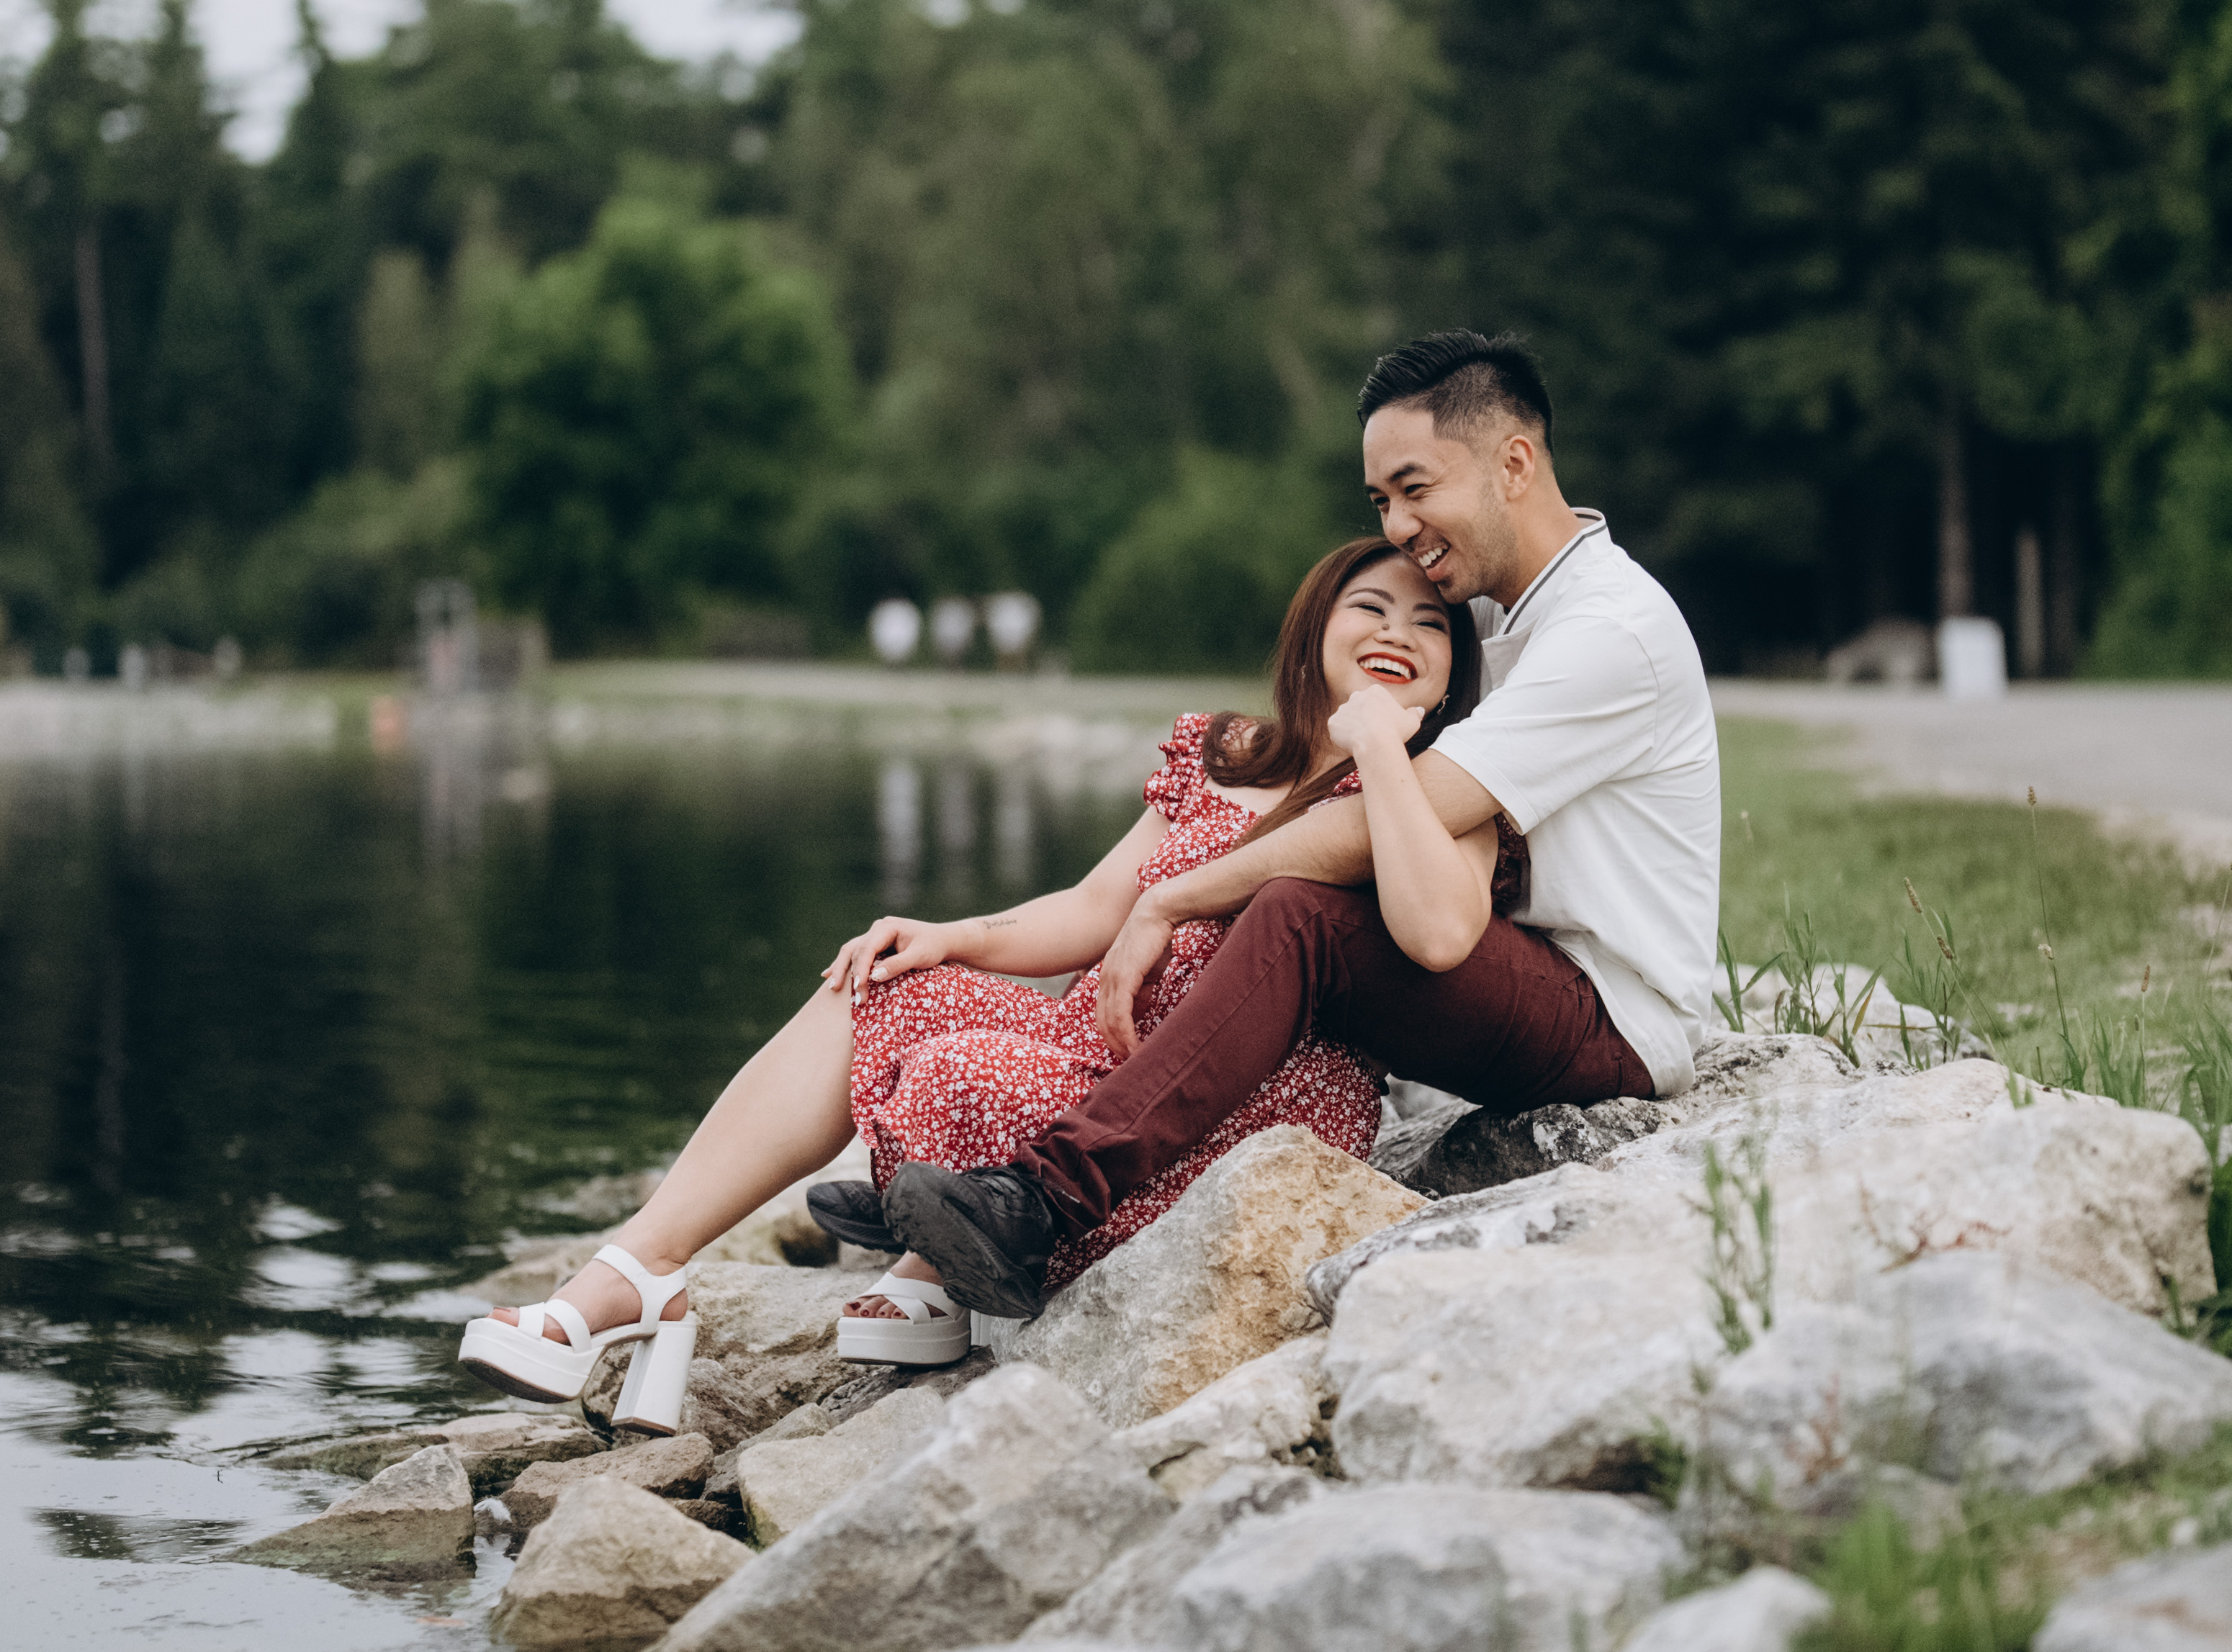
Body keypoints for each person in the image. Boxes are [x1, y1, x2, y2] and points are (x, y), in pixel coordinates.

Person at [455, 536, 1498, 1427]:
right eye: (1370, 607)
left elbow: (1441, 929)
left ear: (1458, 668)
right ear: (1313, 625)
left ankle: (933, 1259)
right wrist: (949, 935)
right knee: (876, 978)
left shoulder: (1444, 789)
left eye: (1432, 623)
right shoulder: (1227, 755)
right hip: (1098, 1054)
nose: (1398, 631)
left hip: (1237, 1111)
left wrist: (1384, 751)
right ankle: (644, 1267)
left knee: (958, 1073)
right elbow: (1092, 909)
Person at [881, 329, 1720, 1321]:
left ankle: (1044, 1201)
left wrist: (1173, 895)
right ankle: (970, 1190)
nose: (1400, 525)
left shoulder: (1607, 629)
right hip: (1511, 961)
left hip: (1611, 1015)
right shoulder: (1501, 611)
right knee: (1278, 921)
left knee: (1297, 915)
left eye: (1415, 488)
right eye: (1380, 501)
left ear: (1514, 462)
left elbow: (1387, 822)